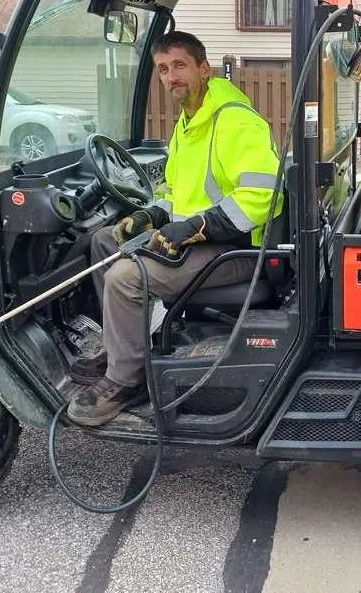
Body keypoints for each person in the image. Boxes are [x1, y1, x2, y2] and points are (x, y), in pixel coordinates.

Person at [67, 31, 283, 426]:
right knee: (103, 241)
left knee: (124, 278)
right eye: (163, 69)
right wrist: (151, 215)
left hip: (239, 250)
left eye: (180, 65)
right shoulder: (189, 123)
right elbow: (176, 192)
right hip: (202, 241)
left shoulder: (234, 121)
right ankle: (123, 349)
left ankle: (127, 380)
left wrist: (198, 226)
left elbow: (263, 195)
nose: (171, 76)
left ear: (204, 69)